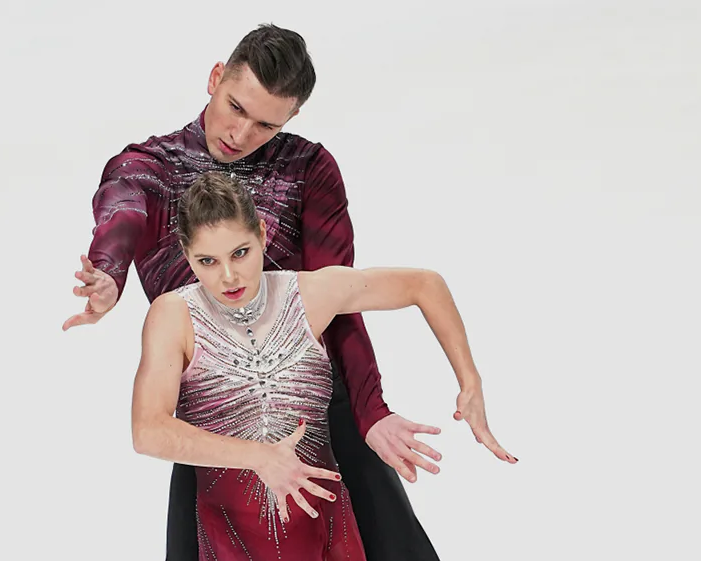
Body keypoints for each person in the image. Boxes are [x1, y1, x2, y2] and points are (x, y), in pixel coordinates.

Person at [64, 23, 516, 560]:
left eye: (265, 124)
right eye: (235, 107)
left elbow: (346, 298)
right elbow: (122, 213)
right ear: (215, 78)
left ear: (292, 117)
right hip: (214, 418)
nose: (240, 133)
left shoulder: (307, 170)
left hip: (317, 399)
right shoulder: (149, 168)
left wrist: (370, 411)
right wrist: (108, 272)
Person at [130, 171, 515, 561]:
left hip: (326, 530)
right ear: (186, 254)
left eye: (240, 253)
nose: (228, 276)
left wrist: (470, 381)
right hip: (231, 536)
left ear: (262, 234)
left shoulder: (308, 295)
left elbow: (424, 285)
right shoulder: (174, 316)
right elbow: (148, 431)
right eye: (208, 261)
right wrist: (258, 457)